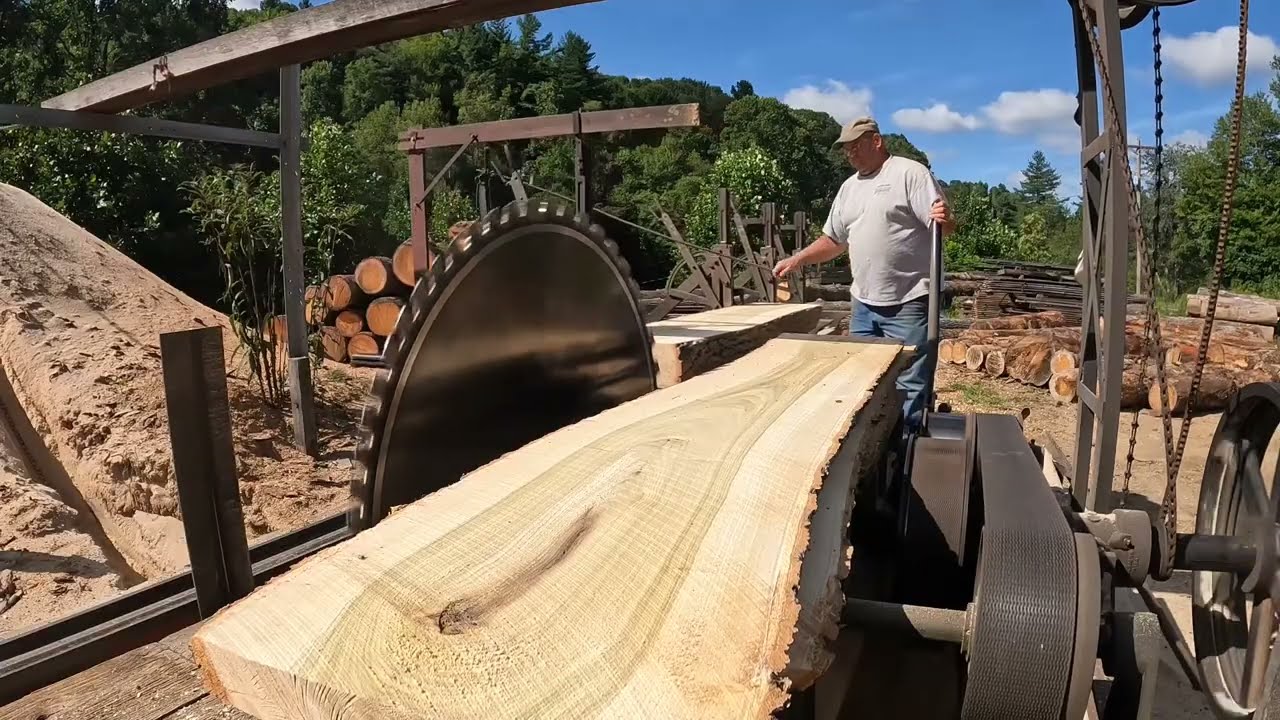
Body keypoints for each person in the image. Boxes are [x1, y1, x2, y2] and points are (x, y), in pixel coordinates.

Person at [773, 116, 954, 427]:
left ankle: (907, 444)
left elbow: (943, 227)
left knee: (910, 383)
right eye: (846, 148)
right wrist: (798, 259)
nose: (850, 153)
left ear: (877, 141)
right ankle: (869, 445)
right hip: (864, 306)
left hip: (910, 301)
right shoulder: (848, 189)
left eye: (856, 145)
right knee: (862, 380)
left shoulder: (909, 174)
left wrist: (947, 219)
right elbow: (834, 240)